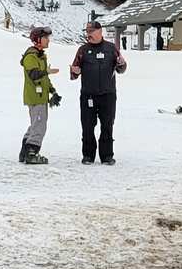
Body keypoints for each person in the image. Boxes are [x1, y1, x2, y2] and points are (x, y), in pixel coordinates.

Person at [70, 20, 127, 164]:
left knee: (107, 125)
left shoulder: (111, 48)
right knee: (87, 126)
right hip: (88, 94)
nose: (89, 35)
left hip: (108, 94)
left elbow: (121, 69)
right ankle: (88, 155)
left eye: (91, 32)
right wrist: (74, 72)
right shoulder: (83, 50)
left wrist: (122, 64)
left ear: (100, 32)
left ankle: (107, 155)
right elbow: (74, 71)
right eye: (87, 32)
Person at [19, 25, 61, 164]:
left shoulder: (40, 56)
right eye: (45, 38)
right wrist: (46, 72)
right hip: (35, 97)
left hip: (41, 96)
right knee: (39, 125)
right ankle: (32, 153)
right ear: (37, 40)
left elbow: (44, 78)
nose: (48, 40)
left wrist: (52, 91)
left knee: (35, 124)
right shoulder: (31, 56)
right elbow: (34, 75)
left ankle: (25, 152)